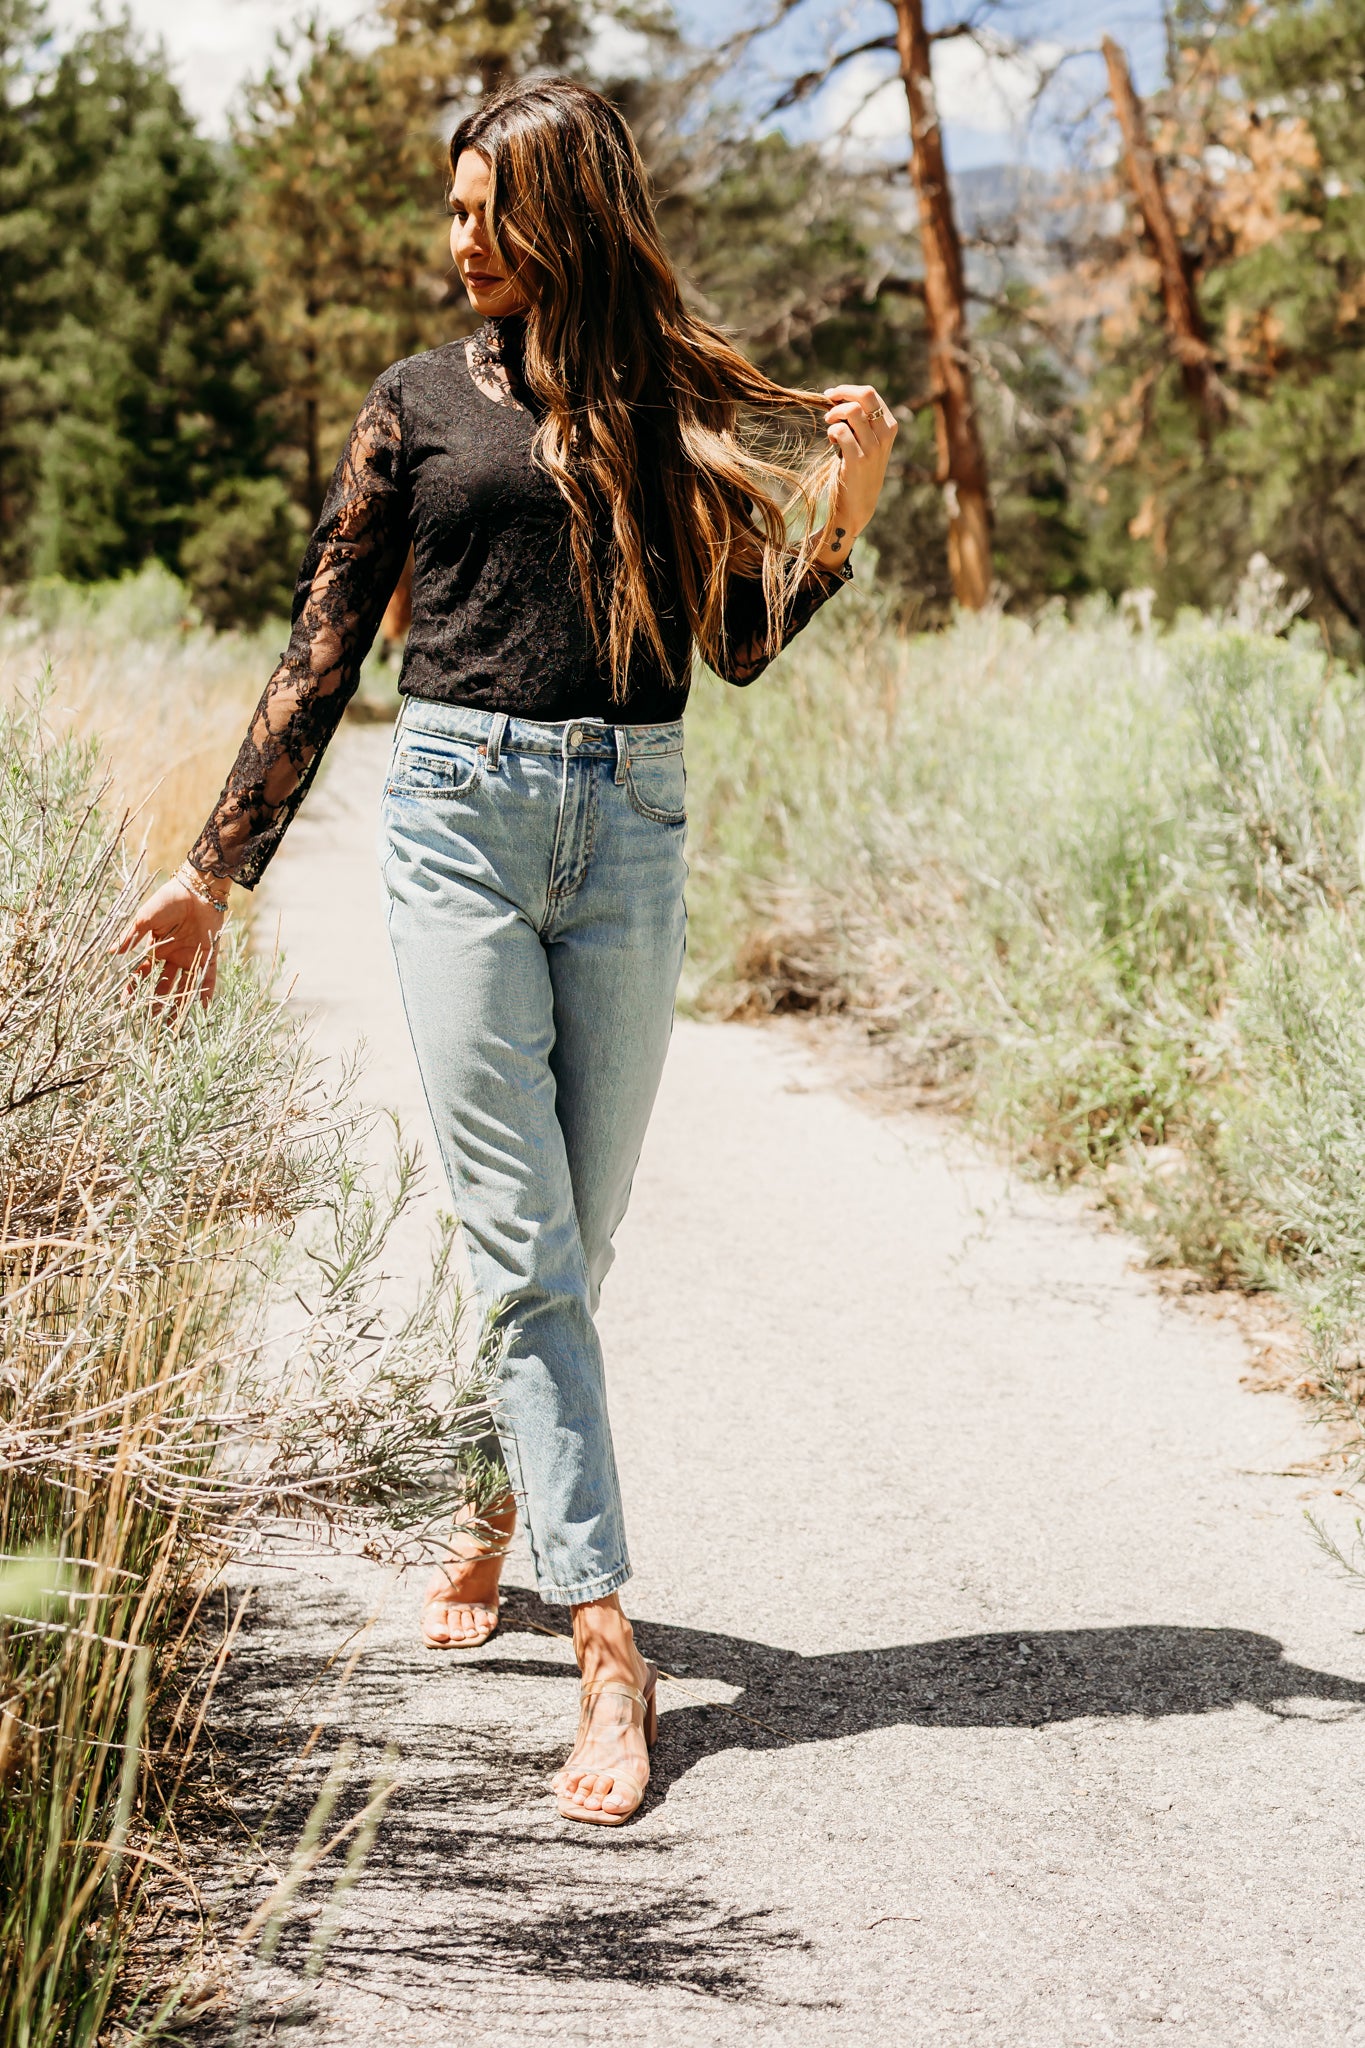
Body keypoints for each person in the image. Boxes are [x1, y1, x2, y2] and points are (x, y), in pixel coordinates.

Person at [121, 76, 897, 1826]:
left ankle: (494, 1505)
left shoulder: (665, 404)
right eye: (451, 208)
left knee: (580, 1231)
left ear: (568, 214)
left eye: (488, 208)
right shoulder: (413, 405)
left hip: (630, 820)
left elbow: (742, 644)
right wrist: (213, 870)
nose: (457, 237)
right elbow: (325, 644)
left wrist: (839, 512)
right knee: (527, 1245)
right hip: (456, 823)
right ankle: (610, 1647)